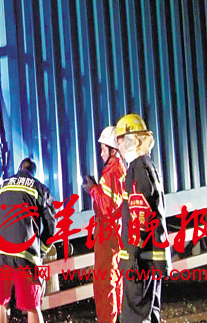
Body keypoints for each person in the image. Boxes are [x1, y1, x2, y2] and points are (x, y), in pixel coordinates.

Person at [0, 158, 56, 323]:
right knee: (31, 305)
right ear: (33, 172)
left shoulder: (2, 186)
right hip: (25, 257)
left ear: (19, 168)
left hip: (1, 255)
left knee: (0, 303)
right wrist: (43, 248)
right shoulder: (40, 188)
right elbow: (51, 225)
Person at [115, 113, 171, 323]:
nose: (118, 145)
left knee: (136, 316)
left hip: (141, 260)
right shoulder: (148, 165)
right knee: (150, 315)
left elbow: (139, 217)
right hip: (151, 257)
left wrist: (131, 257)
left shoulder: (136, 169)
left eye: (120, 139)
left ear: (131, 140)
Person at [82, 126, 126, 323]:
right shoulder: (117, 168)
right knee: (114, 277)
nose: (101, 153)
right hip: (114, 228)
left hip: (108, 230)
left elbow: (107, 207)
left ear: (113, 150)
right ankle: (116, 317)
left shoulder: (112, 172)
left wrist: (92, 188)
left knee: (104, 280)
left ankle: (108, 319)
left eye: (103, 149)